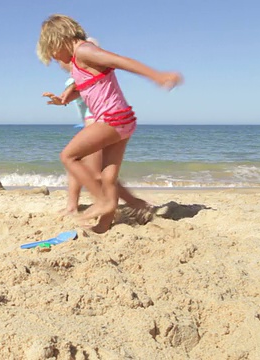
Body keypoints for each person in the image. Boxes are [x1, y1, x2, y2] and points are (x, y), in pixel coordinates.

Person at [37, 14, 182, 232]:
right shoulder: (78, 60)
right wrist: (65, 98)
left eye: (54, 52)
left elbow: (120, 61)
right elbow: (85, 83)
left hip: (111, 119)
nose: (57, 58)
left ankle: (103, 200)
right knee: (108, 176)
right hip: (124, 119)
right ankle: (105, 225)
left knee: (68, 156)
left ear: (59, 39)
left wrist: (156, 76)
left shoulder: (84, 51)